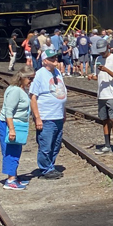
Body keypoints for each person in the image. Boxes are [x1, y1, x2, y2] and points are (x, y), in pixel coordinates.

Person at [29, 49, 67, 179]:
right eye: (52, 59)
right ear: (45, 61)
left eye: (56, 58)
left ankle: (51, 166)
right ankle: (46, 169)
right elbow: (33, 97)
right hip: (46, 116)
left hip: (58, 115)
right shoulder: (39, 75)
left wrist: (64, 112)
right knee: (46, 144)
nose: (55, 60)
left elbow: (61, 92)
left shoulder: (57, 72)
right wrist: (37, 118)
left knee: (56, 144)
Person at [0, 67, 34, 190]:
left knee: (15, 150)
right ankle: (10, 180)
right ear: (22, 78)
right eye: (30, 78)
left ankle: (14, 176)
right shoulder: (15, 91)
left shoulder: (20, 89)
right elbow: (9, 111)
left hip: (16, 124)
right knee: (11, 151)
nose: (31, 81)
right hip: (10, 124)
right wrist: (12, 129)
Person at [89, 39, 113, 154]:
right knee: (104, 120)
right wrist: (91, 77)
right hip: (101, 94)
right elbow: (97, 76)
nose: (101, 54)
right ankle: (107, 145)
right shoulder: (98, 59)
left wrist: (106, 69)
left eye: (103, 51)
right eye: (100, 52)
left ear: (108, 47)